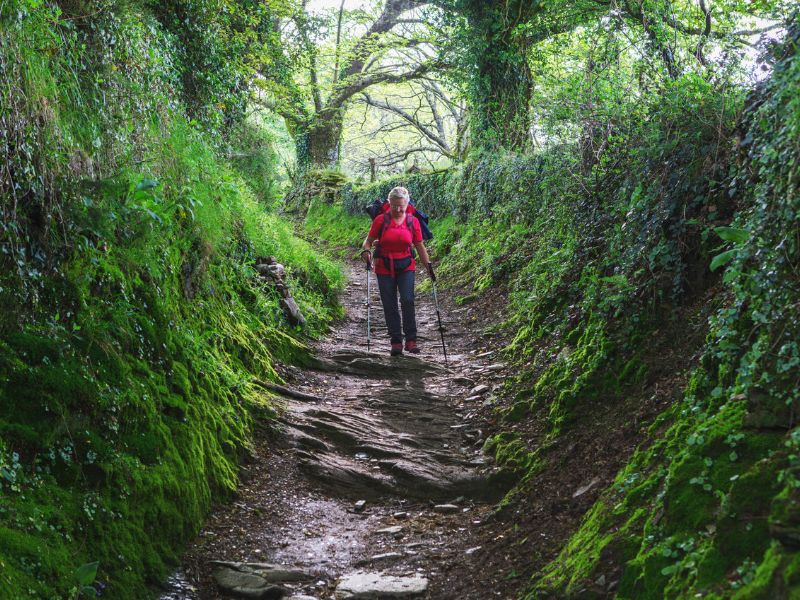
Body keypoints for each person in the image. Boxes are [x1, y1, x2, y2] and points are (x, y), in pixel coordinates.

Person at [361, 187, 433, 356]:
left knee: (408, 300)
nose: (398, 210)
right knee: (390, 304)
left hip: (406, 264)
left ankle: (411, 340)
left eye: (401, 206)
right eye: (394, 206)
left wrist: (428, 266)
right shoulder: (380, 220)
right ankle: (395, 342)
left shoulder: (412, 221)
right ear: (389, 204)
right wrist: (366, 252)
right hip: (384, 266)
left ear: (407, 204)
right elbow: (368, 241)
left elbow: (419, 246)